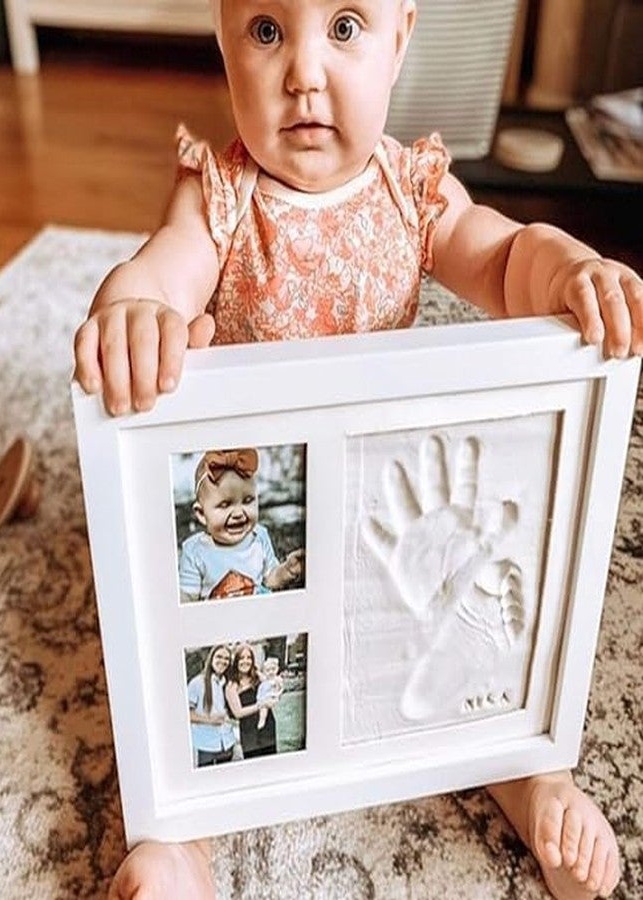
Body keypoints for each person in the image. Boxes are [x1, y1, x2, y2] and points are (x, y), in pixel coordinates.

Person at [77, 1, 641, 897]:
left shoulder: (413, 191)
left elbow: (502, 260)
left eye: (344, 28)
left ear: (400, 38)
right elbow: (165, 267)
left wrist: (566, 267)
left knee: (478, 621)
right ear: (223, 39)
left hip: (387, 507)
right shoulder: (219, 199)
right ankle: (186, 841)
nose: (304, 72)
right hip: (257, 516)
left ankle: (531, 775)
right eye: (267, 31)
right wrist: (135, 309)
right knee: (210, 663)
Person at [179, 448, 304, 601]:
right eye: (225, 505)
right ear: (201, 514)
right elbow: (187, 599)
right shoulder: (195, 551)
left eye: (247, 501)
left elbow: (270, 579)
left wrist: (287, 570)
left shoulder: (259, 536)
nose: (238, 513)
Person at [225, 644, 278, 759]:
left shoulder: (257, 676)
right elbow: (238, 713)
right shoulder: (232, 685)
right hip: (249, 732)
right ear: (236, 661)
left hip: (267, 726)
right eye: (242, 658)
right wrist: (261, 705)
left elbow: (270, 689)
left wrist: (274, 696)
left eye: (249, 657)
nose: (246, 661)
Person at [187, 645, 236, 767]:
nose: (223, 661)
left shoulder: (229, 683)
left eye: (226, 658)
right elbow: (187, 714)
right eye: (219, 656)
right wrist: (210, 720)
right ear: (211, 658)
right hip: (206, 745)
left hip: (227, 743)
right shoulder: (197, 683)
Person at [255, 656, 284, 730]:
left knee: (264, 708)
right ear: (264, 672)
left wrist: (277, 689)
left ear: (277, 669)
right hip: (263, 695)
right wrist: (257, 671)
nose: (271, 672)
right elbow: (260, 676)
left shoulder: (277, 679)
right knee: (262, 707)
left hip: (270, 695)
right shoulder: (266, 679)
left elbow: (280, 687)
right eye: (268, 670)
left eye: (273, 669)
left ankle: (262, 720)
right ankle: (262, 718)